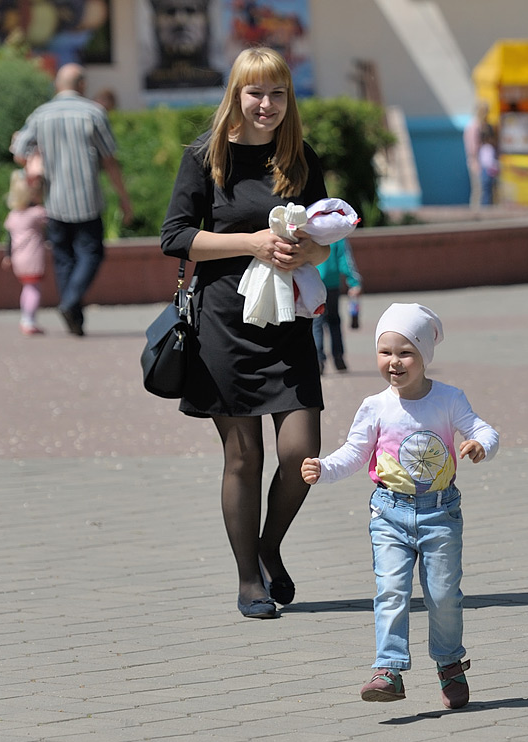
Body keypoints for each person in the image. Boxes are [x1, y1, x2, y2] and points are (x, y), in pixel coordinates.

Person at [159, 46, 331, 620]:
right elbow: (176, 236)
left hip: (287, 322)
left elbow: (323, 234)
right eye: (255, 92)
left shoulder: (300, 158)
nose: (266, 104)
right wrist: (251, 241)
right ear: (236, 94)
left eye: (277, 93)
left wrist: (311, 247)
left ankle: (267, 546)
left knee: (302, 452)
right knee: (243, 458)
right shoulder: (206, 157)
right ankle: (247, 581)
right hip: (223, 323)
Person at [300, 303, 499, 709]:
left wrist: (481, 445)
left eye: (405, 352)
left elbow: (482, 428)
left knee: (443, 595)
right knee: (391, 590)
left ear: (424, 355)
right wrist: (324, 467)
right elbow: (355, 453)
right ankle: (387, 669)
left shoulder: (447, 398)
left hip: (440, 513)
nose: (394, 361)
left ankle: (449, 663)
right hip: (388, 513)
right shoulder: (375, 406)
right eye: (385, 351)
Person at [12, 63, 133, 337]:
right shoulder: (93, 113)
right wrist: (124, 199)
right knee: (92, 253)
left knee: (64, 258)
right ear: (81, 85)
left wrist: (39, 157)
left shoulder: (40, 114)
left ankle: (73, 315)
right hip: (87, 199)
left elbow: (20, 152)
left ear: (58, 85)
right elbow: (109, 159)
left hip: (54, 201)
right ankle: (70, 304)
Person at [1, 169, 49, 336]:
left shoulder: (14, 215)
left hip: (17, 257)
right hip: (33, 257)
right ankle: (29, 320)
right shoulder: (36, 213)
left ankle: (26, 317)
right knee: (33, 289)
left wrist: (7, 255)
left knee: (27, 288)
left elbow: (9, 237)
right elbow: (51, 226)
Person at [145, 0, 222, 89]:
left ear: (207, 21)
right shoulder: (147, 80)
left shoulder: (221, 78)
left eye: (191, 10)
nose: (180, 20)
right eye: (170, 11)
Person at [312, 239, 362, 373]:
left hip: (314, 284)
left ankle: (319, 360)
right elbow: (345, 260)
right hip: (332, 285)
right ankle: (338, 358)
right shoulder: (337, 235)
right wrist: (353, 282)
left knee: (317, 322)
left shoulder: (311, 232)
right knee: (334, 321)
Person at [463, 101, 489, 208]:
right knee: (478, 188)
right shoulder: (474, 126)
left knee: (480, 188)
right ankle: (475, 211)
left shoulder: (476, 125)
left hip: (478, 160)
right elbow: (472, 148)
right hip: (475, 160)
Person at [477, 124, 500, 206]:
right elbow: (488, 161)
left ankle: (486, 205)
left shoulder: (483, 147)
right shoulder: (488, 147)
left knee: (486, 191)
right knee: (487, 191)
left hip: (485, 171)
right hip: (488, 171)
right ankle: (486, 206)